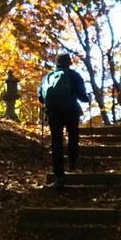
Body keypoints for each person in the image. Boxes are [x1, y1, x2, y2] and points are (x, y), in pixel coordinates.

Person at [38, 53, 90, 188]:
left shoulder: (48, 77)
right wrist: (87, 98)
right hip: (70, 110)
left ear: (56, 63)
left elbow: (41, 98)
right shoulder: (74, 76)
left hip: (54, 113)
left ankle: (59, 176)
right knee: (73, 134)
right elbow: (82, 96)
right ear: (69, 63)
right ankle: (72, 159)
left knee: (56, 142)